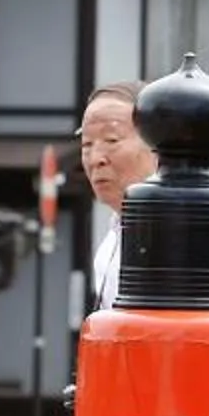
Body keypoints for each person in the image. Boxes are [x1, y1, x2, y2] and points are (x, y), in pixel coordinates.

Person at [77, 81, 154, 311]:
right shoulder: (110, 242)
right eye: (87, 144)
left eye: (111, 140)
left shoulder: (179, 230)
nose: (95, 159)